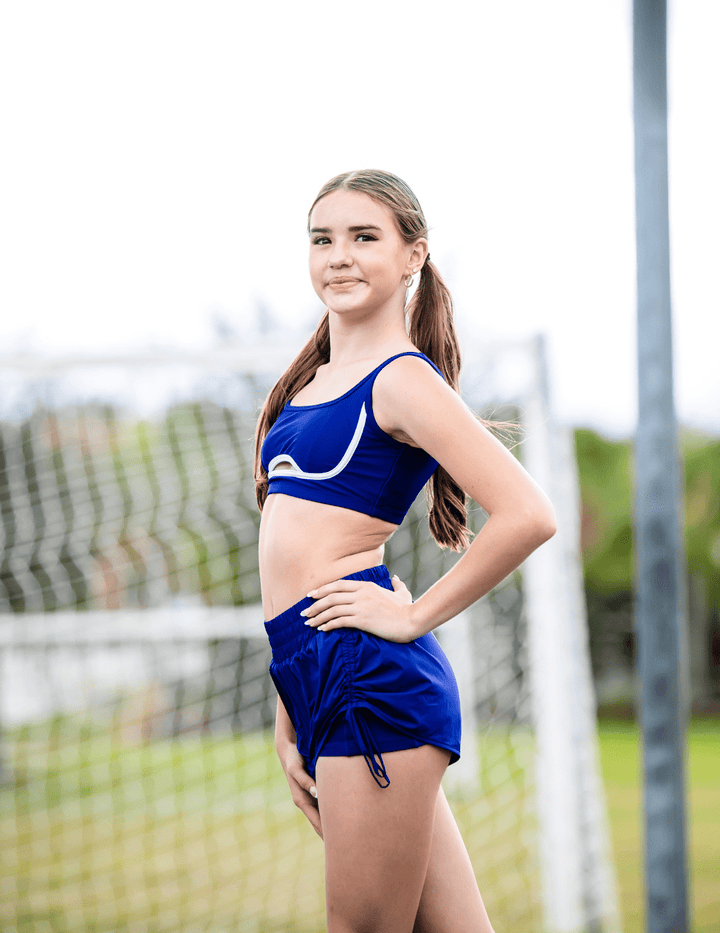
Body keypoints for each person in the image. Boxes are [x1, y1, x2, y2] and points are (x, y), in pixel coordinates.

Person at [254, 169, 557, 933]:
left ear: (413, 255)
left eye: (364, 237)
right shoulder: (308, 385)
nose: (339, 256)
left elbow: (528, 513)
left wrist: (414, 614)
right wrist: (288, 704)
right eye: (323, 239)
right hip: (314, 672)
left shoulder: (403, 381)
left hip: (369, 679)